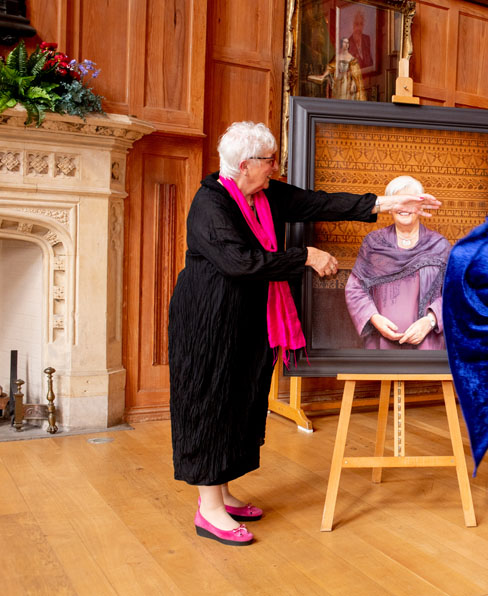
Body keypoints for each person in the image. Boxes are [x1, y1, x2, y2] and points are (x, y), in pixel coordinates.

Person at [168, 122, 439, 546]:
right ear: (244, 165)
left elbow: (320, 203)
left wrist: (391, 203)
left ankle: (220, 493)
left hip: (247, 317)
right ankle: (209, 509)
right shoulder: (211, 202)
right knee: (211, 401)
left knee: (239, 401)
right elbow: (241, 262)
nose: (275, 167)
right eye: (269, 160)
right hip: (209, 318)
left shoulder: (265, 194)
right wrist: (305, 256)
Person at [345, 176, 451, 350]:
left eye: (410, 202)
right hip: (381, 343)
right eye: (399, 202)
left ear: (421, 205)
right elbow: (355, 288)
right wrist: (373, 318)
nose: (404, 209)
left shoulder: (439, 245)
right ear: (389, 208)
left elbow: (453, 292)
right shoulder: (373, 243)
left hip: (428, 344)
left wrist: (430, 321)